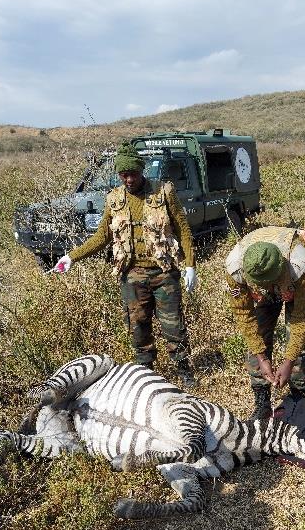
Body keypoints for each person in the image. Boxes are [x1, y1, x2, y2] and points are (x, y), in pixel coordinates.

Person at [53, 142, 197, 387]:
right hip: (132, 275)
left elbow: (183, 228)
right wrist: (71, 257)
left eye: (133, 174)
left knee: (173, 326)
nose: (129, 179)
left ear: (142, 171)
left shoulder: (164, 192)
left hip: (164, 272)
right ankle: (146, 374)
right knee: (138, 327)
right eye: (123, 175)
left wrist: (190, 265)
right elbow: (102, 236)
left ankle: (184, 371)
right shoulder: (114, 199)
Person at [225, 226, 305, 419]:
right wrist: (262, 358)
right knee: (258, 335)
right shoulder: (235, 268)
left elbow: (302, 318)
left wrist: (289, 362)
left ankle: (298, 398)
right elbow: (244, 314)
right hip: (261, 291)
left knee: (300, 341)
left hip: (294, 282)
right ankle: (262, 402)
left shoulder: (301, 263)